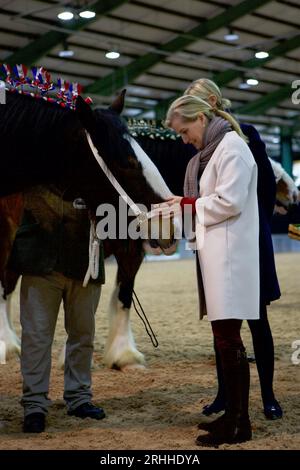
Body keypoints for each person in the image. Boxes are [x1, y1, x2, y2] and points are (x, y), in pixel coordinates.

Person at [183, 79, 282, 422]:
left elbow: (266, 188)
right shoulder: (199, 143)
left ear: (210, 100)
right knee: (222, 320)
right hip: (215, 236)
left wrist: (251, 229)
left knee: (257, 320)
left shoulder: (244, 135)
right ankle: (225, 394)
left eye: (194, 98)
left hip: (248, 238)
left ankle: (268, 394)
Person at [164, 94, 260, 445]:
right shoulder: (220, 148)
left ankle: (238, 422)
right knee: (225, 340)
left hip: (230, 258)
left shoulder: (231, 147)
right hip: (222, 255)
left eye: (185, 130)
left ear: (202, 119)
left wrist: (187, 203)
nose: (184, 139)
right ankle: (234, 416)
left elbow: (229, 202)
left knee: (229, 340)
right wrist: (182, 205)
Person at [7, 184, 106, 433]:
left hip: (84, 262)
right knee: (36, 338)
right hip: (39, 260)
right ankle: (35, 405)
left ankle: (79, 398)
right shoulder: (32, 160)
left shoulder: (95, 161)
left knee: (83, 334)